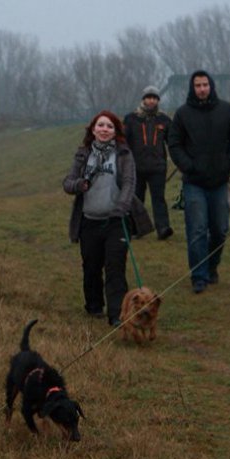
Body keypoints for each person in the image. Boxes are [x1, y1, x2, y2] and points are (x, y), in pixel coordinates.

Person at [63, 111, 153, 326]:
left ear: (116, 131)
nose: (104, 129)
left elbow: (130, 183)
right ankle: (94, 306)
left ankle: (116, 315)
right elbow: (68, 182)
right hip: (89, 221)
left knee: (115, 267)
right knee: (91, 266)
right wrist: (79, 185)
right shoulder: (83, 154)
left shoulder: (124, 154)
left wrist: (121, 207)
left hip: (116, 221)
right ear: (93, 130)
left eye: (109, 126)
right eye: (100, 125)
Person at [167, 70, 230, 294]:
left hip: (220, 181)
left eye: (205, 85)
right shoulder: (182, 114)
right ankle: (198, 276)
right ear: (192, 88)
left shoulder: (226, 110)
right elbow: (174, 143)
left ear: (211, 86)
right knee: (198, 230)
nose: (202, 89)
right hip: (194, 183)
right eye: (198, 85)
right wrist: (187, 165)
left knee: (220, 229)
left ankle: (212, 266)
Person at [124, 85, 174, 240]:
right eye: (148, 97)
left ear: (158, 100)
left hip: (158, 167)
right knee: (136, 199)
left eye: (154, 98)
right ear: (143, 99)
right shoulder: (131, 118)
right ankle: (135, 230)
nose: (151, 100)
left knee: (158, 198)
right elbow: (123, 142)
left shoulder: (164, 119)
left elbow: (172, 142)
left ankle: (163, 229)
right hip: (136, 167)